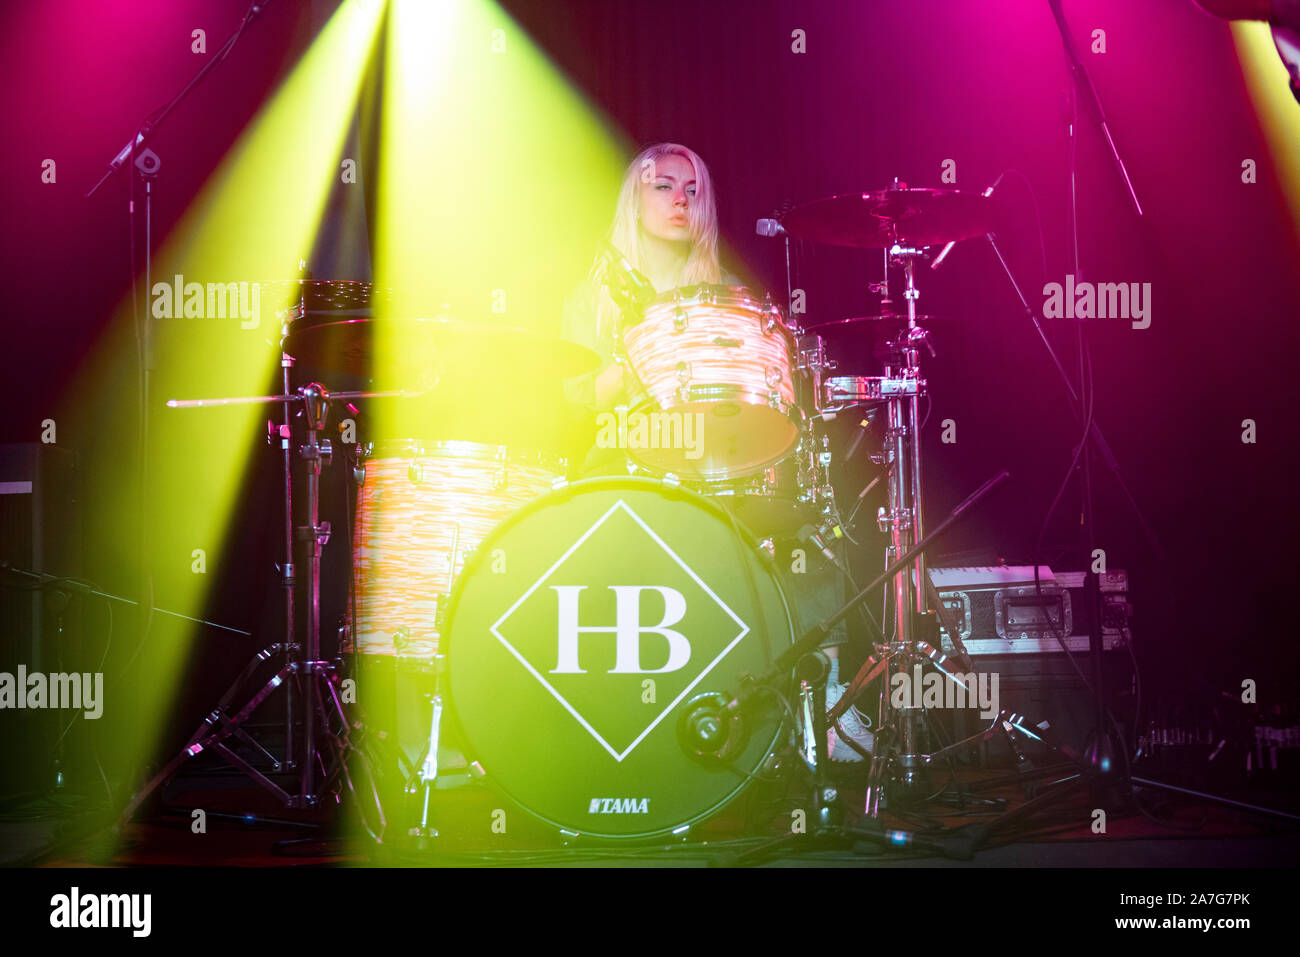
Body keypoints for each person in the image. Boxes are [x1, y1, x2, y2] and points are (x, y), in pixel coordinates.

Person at [562, 142, 875, 762]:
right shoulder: (593, 297)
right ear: (635, 199)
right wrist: (644, 357)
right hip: (629, 457)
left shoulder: (727, 292)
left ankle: (830, 707)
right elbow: (574, 401)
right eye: (663, 187)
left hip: (720, 460)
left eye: (693, 190)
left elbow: (763, 390)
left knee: (808, 526)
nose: (680, 199)